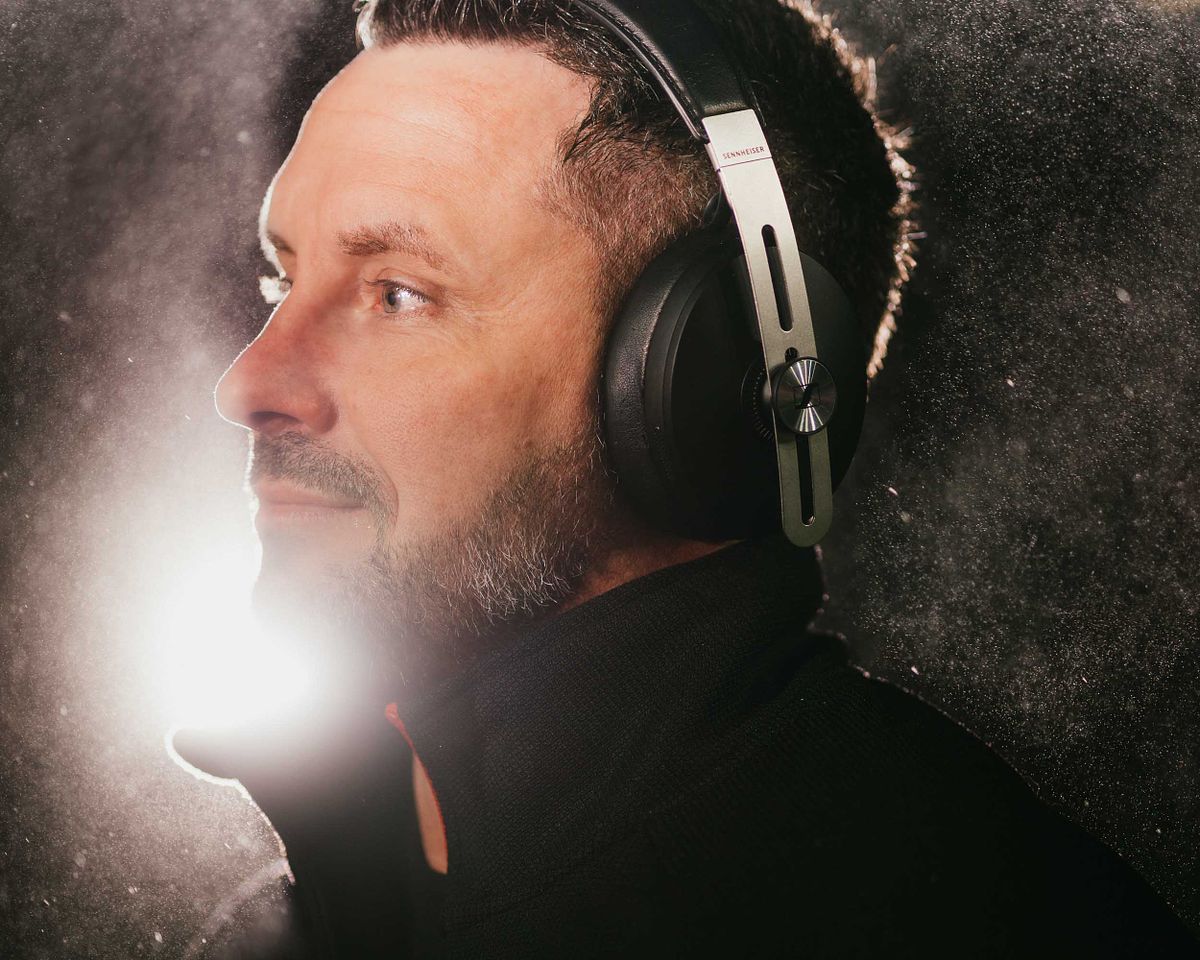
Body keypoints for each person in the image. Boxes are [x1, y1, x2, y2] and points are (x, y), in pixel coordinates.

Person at [173, 0, 1199, 956]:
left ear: (710, 385)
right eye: (282, 279)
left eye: (400, 294)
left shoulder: (967, 917)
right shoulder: (292, 925)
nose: (249, 383)